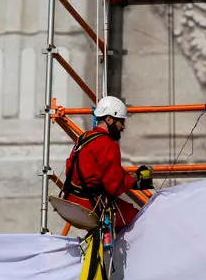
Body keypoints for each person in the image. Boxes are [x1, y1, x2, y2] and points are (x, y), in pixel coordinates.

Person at [59, 95, 154, 230]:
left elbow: (71, 169)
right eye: (121, 121)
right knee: (140, 220)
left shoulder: (84, 138)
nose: (123, 127)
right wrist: (136, 177)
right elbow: (114, 187)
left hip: (70, 201)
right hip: (91, 206)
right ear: (109, 119)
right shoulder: (108, 145)